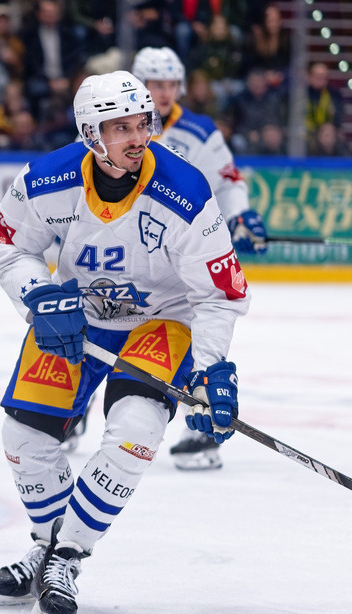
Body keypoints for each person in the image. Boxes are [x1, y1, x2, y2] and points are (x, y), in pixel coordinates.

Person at [0, 70, 250, 614]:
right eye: (120, 127)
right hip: (75, 315)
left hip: (160, 320)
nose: (136, 136)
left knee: (134, 430)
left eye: (142, 123)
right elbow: (8, 245)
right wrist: (39, 295)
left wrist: (211, 369)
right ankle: (46, 545)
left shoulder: (184, 191)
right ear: (89, 133)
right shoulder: (45, 180)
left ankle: (65, 558)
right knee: (24, 437)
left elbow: (220, 294)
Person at [132, 46, 266, 470]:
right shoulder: (122, 126)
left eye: (171, 83)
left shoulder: (199, 129)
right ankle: (75, 412)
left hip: (182, 250)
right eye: (156, 83)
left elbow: (227, 179)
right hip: (132, 249)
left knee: (193, 331)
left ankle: (202, 427)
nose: (165, 92)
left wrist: (239, 214)